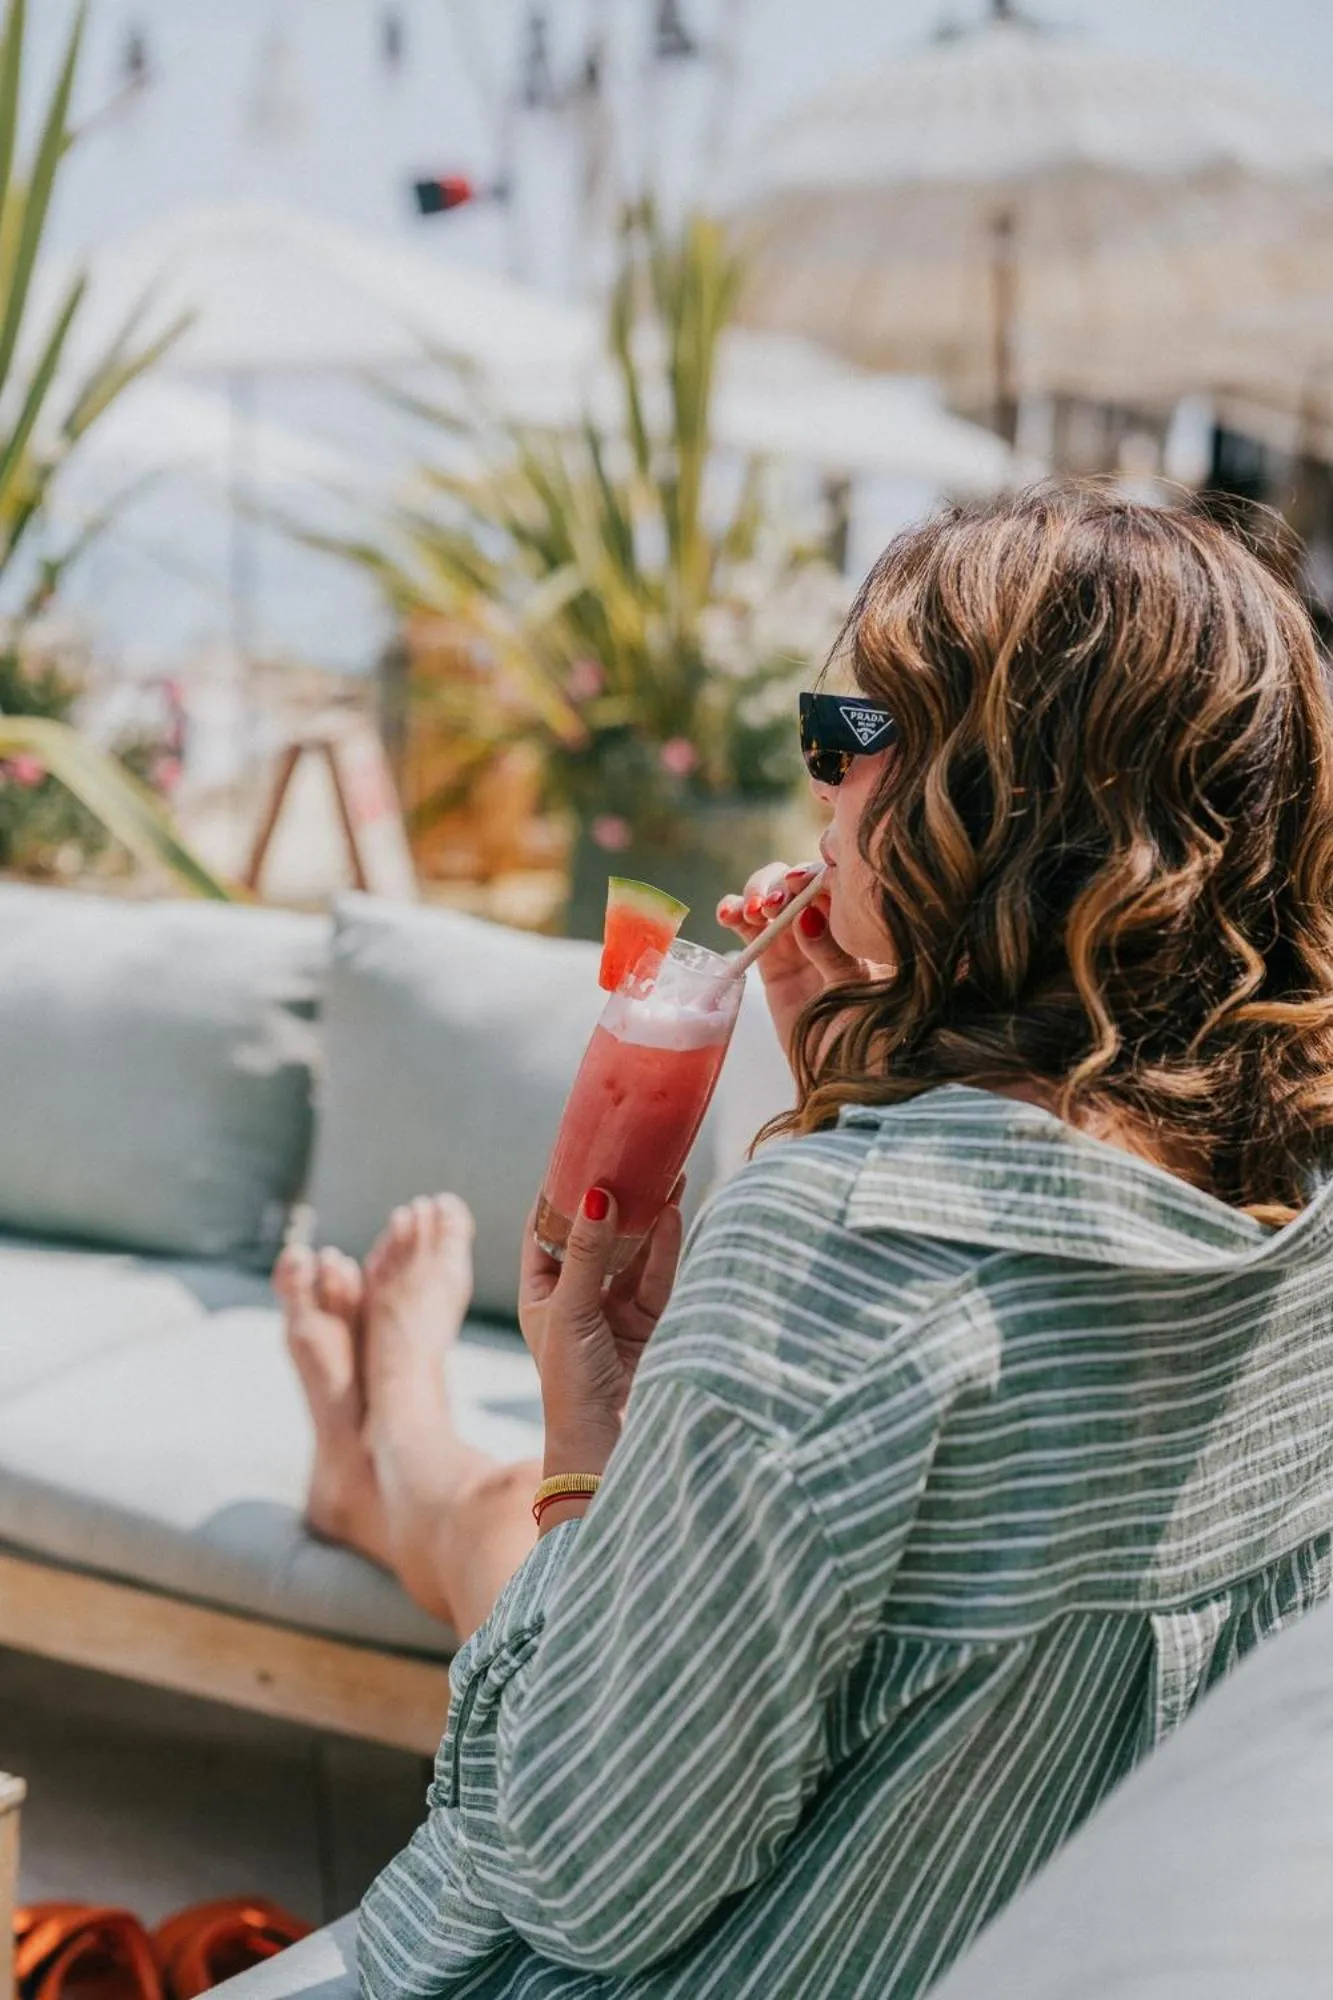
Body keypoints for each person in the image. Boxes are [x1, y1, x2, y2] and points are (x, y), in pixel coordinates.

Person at [280, 485, 1333, 1999]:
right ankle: (390, 1447)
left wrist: (591, 1455)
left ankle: (393, 1434)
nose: (818, 796)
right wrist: (862, 1089)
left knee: (520, 1502)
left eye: (842, 739)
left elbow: (580, 1881)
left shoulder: (834, 1250)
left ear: (996, 798)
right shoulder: (1292, 1244)